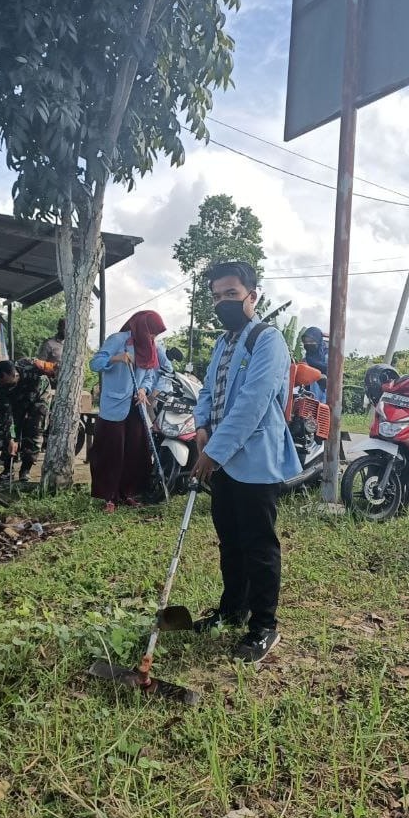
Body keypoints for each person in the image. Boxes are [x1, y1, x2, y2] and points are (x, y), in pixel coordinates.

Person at [191, 261, 301, 664]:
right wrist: (201, 426)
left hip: (253, 459)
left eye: (232, 294)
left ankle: (264, 626)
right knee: (230, 542)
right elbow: (207, 390)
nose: (223, 302)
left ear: (252, 296)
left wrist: (213, 451)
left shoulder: (267, 341)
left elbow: (253, 402)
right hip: (221, 460)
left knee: (258, 544)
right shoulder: (222, 344)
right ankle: (231, 610)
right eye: (217, 296)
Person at [89, 310, 170, 511]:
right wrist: (116, 358)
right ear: (142, 327)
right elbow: (95, 364)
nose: (153, 337)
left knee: (136, 451)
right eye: (152, 332)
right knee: (111, 452)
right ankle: (109, 497)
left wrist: (144, 389)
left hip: (136, 406)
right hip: (114, 406)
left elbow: (149, 375)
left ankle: (129, 493)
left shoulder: (151, 347)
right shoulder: (118, 340)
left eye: (156, 334)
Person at [0, 359, 52, 484]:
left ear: (12, 374)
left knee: (34, 430)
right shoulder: (1, 386)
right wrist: (11, 438)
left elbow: (54, 369)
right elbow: (6, 414)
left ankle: (25, 470)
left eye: (2, 378)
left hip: (39, 397)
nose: (0, 381)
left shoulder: (31, 369)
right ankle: (8, 470)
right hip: (17, 402)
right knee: (9, 433)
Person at [299, 325, 329, 403]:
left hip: (326, 400)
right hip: (309, 400)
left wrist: (321, 377)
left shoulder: (328, 358)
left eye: (311, 341)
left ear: (318, 341)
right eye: (306, 342)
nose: (308, 344)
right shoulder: (305, 360)